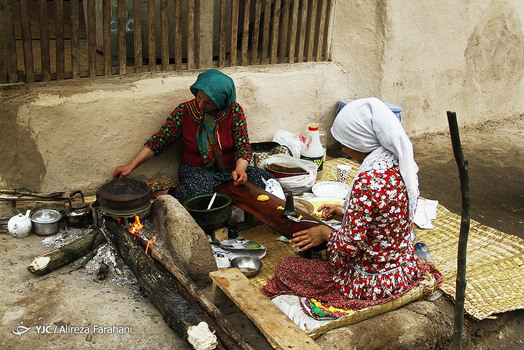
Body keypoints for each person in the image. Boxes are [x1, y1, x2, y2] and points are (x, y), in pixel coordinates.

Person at [261, 97, 442, 314]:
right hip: (401, 268)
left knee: (286, 268)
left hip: (372, 281)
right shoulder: (398, 165)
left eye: (346, 142)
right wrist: (345, 214)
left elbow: (350, 246)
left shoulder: (367, 182)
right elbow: (384, 217)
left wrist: (324, 232)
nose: (344, 149)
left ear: (362, 141)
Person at [113, 69, 274, 203]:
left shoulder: (234, 111)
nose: (200, 104)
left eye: (208, 102)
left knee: (265, 181)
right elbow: (159, 141)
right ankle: (166, 193)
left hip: (230, 170)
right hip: (197, 170)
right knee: (201, 194)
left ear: (222, 102)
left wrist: (240, 170)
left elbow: (243, 146)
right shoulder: (184, 112)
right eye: (199, 97)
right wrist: (131, 166)